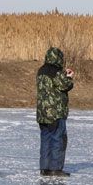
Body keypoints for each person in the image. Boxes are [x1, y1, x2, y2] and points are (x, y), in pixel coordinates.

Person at [36, 47, 74, 177]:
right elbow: (65, 85)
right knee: (58, 139)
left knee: (45, 140)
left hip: (42, 114)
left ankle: (44, 167)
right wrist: (68, 77)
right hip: (55, 113)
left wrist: (63, 75)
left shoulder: (41, 71)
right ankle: (55, 168)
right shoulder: (56, 71)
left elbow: (53, 86)